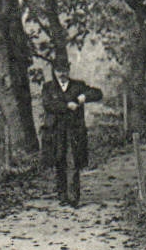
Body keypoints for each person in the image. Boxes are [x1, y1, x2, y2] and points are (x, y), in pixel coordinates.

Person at [41, 60, 103, 206]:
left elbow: (98, 93)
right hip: (56, 131)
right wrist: (67, 106)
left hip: (73, 130)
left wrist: (84, 97)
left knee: (73, 160)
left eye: (64, 70)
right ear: (54, 72)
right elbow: (48, 105)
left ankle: (73, 197)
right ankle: (62, 195)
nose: (62, 74)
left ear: (68, 71)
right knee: (59, 160)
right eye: (59, 71)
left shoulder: (78, 85)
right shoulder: (48, 87)